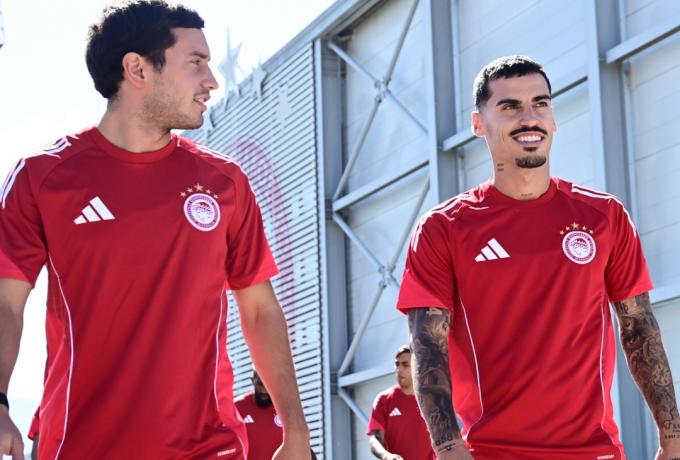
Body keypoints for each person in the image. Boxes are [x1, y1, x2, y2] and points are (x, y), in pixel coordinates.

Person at [0, 1, 310, 459]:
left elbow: (260, 309)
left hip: (210, 446)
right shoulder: (43, 177)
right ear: (138, 69)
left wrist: (296, 432)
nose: (212, 80)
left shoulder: (225, 182)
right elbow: (7, 303)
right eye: (195, 63)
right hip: (84, 445)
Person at [397, 55, 680, 460]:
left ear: (553, 118)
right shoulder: (444, 228)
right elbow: (427, 345)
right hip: (491, 453)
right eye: (510, 106)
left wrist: (673, 436)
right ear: (479, 124)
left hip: (595, 452)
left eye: (540, 104)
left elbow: (638, 326)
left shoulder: (604, 216)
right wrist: (448, 447)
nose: (529, 118)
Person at [367, 345, 435, 460]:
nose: (399, 369)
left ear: (417, 366)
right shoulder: (384, 400)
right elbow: (374, 439)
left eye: (405, 364)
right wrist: (387, 457)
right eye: (397, 364)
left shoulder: (433, 398)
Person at [235, 370, 283, 460]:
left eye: (268, 384)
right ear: (253, 380)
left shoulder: (286, 409)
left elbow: (301, 444)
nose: (264, 390)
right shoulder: (236, 407)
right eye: (260, 384)